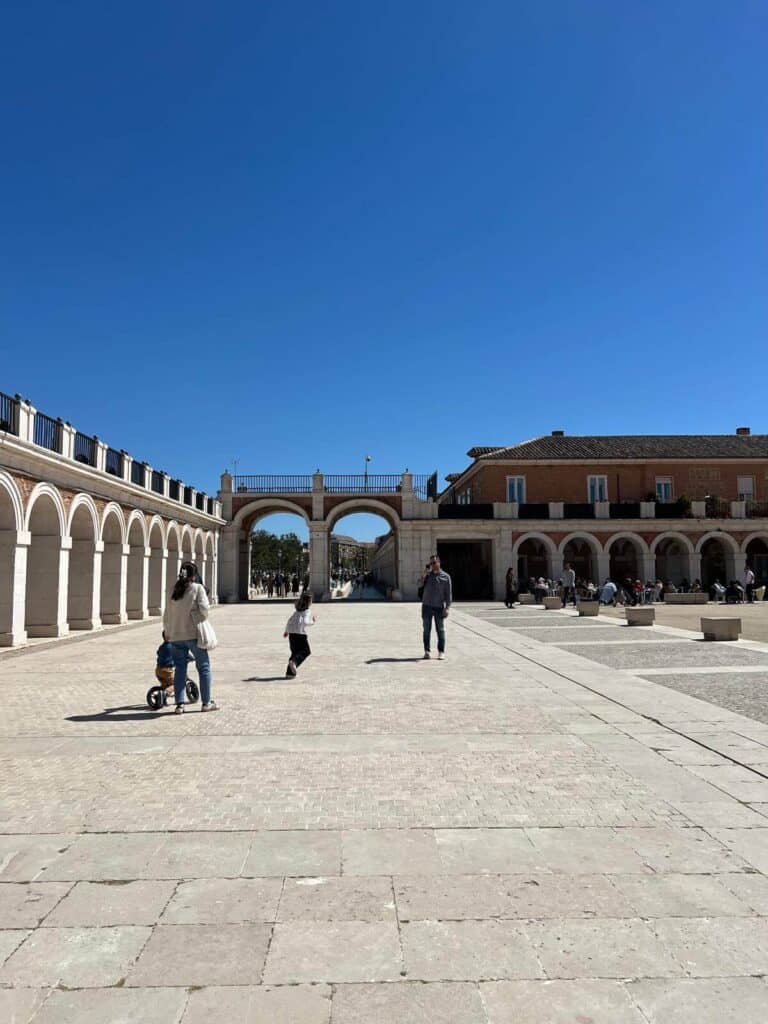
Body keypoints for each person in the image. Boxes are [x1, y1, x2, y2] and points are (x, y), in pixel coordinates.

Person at [162, 561, 217, 714]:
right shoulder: (197, 588)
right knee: (203, 667)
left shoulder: (172, 589)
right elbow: (205, 610)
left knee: (180, 669)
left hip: (175, 635)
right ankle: (206, 702)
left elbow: (167, 613)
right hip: (193, 634)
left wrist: (167, 630)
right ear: (194, 575)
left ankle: (180, 705)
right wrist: (196, 615)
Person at [421, 553, 452, 660]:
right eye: (431, 563)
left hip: (439, 607)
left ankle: (441, 651)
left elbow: (448, 594)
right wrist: (423, 576)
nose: (433, 565)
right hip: (426, 606)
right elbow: (418, 584)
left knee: (440, 629)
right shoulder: (428, 576)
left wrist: (447, 608)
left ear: (439, 562)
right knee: (426, 629)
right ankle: (427, 651)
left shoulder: (446, 577)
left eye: (434, 563)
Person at [284, 592, 315, 677]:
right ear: (309, 602)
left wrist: (286, 631)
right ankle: (294, 662)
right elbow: (305, 622)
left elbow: (289, 620)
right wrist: (313, 622)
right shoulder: (307, 611)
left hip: (292, 634)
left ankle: (289, 673)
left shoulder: (297, 611)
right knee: (306, 651)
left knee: (294, 653)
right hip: (300, 634)